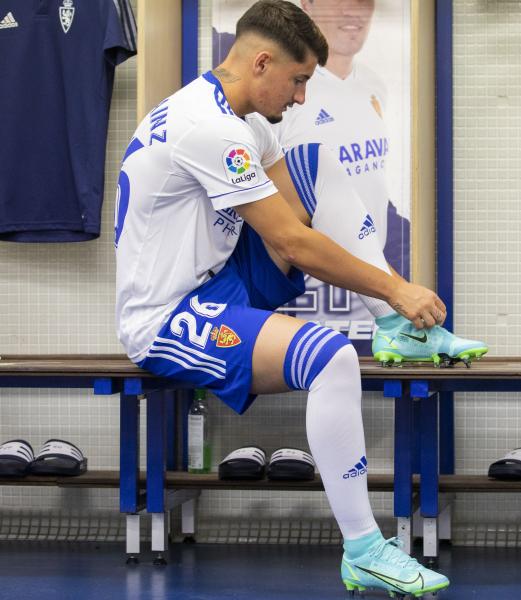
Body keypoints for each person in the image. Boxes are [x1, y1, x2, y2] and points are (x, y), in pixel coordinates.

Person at [114, 1, 485, 595]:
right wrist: (396, 282)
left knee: (318, 162)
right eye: (299, 80)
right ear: (262, 62)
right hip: (168, 315)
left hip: (220, 279)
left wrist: (385, 294)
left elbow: (298, 207)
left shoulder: (244, 121)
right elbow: (291, 241)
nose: (302, 98)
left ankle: (391, 325)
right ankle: (364, 548)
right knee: (331, 357)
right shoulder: (206, 128)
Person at [268, 0, 406, 354]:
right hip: (309, 289)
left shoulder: (375, 85)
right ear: (308, 6)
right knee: (326, 369)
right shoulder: (282, 98)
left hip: (376, 287)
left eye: (363, 3)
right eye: (339, 2)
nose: (352, 14)